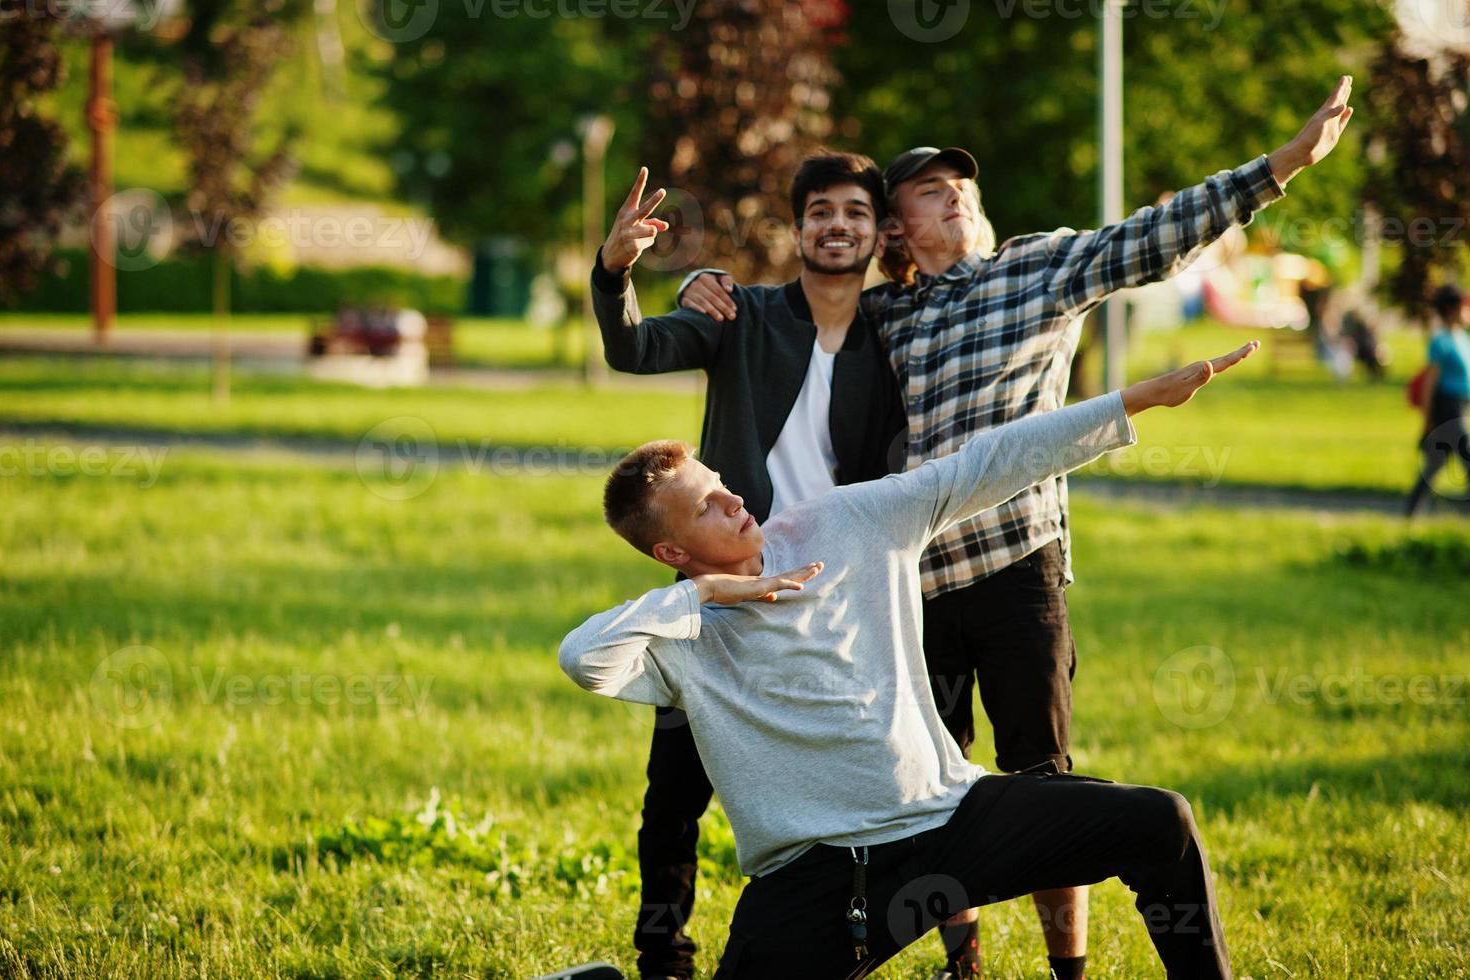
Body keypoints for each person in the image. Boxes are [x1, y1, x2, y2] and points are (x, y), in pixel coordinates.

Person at [679, 77, 1354, 979]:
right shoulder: (886, 312)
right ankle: (965, 964)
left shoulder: (1037, 267)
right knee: (933, 787)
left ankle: (1065, 967)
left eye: (960, 186)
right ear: (896, 234)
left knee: (1040, 773)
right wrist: (699, 281)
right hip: (908, 584)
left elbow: (1148, 237)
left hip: (1013, 568)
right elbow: (788, 307)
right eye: (926, 190)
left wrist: (1279, 168)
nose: (952, 194)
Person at [560, 341, 1260, 979]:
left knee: (1159, 823)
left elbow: (986, 462)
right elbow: (582, 659)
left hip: (950, 819)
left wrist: (1133, 400)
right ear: (671, 554)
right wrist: (710, 592)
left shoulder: (843, 522)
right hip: (818, 880)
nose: (735, 499)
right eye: (707, 507)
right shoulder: (680, 638)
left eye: (720, 484)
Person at [592, 152, 908, 980]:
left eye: (854, 211)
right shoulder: (741, 313)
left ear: (878, 230)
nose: (836, 225)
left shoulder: (897, 329)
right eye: (819, 212)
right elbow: (633, 350)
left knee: (870, 774)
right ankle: (663, 949)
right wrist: (616, 268)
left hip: (837, 590)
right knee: (676, 788)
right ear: (797, 227)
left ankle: (918, 945)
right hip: (722, 584)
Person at [1407, 283, 1470, 516]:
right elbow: (1430, 383)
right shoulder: (1440, 342)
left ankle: (1411, 510)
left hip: (1461, 405)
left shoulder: (1462, 338)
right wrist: (1427, 418)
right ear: (1453, 309)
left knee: (1436, 462)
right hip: (1447, 408)